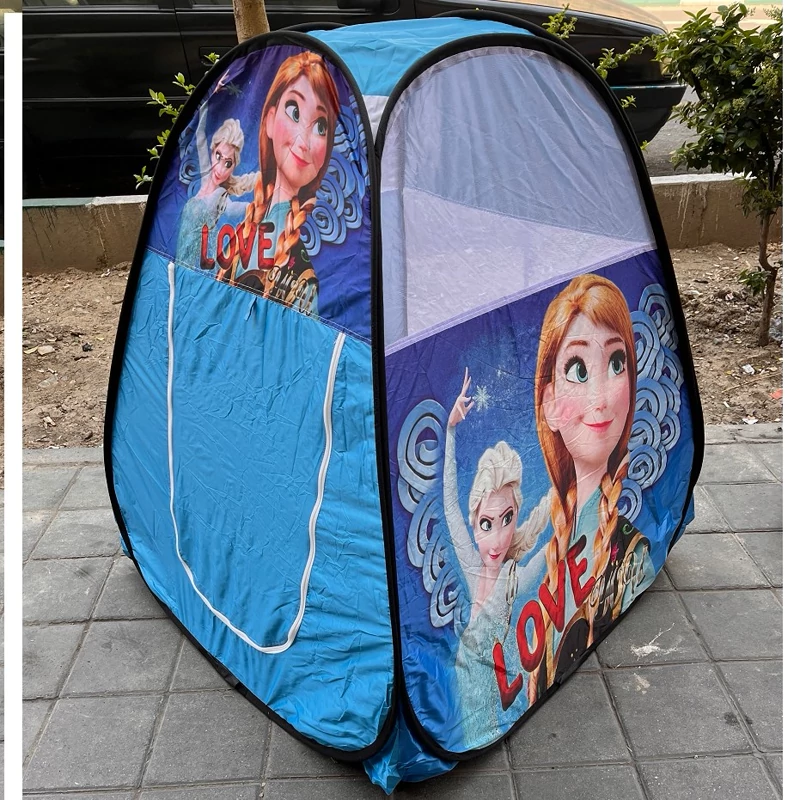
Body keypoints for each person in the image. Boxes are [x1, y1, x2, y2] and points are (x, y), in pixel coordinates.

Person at [529, 273, 654, 703]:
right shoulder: (536, 544)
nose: (600, 398)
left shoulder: (631, 552)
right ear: (548, 402)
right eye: (578, 370)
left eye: (617, 363)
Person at [444, 368, 550, 748]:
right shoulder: (472, 565)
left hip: (487, 689)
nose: (498, 538)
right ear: (474, 523)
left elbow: (545, 553)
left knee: (478, 734)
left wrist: (569, 494)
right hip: (464, 681)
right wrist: (450, 431)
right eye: (487, 524)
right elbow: (450, 505)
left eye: (507, 520)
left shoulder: (511, 578)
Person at [220, 51, 340, 316]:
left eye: (320, 126)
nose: (303, 141)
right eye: (294, 111)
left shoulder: (307, 268)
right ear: (270, 120)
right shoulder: (244, 228)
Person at [175, 85, 257, 270]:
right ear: (213, 151)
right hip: (181, 257)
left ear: (233, 167)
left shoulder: (221, 196)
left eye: (228, 164)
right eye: (218, 156)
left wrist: (256, 205)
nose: (220, 168)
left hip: (198, 266)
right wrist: (211, 97)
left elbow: (237, 209)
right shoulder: (205, 175)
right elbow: (200, 135)